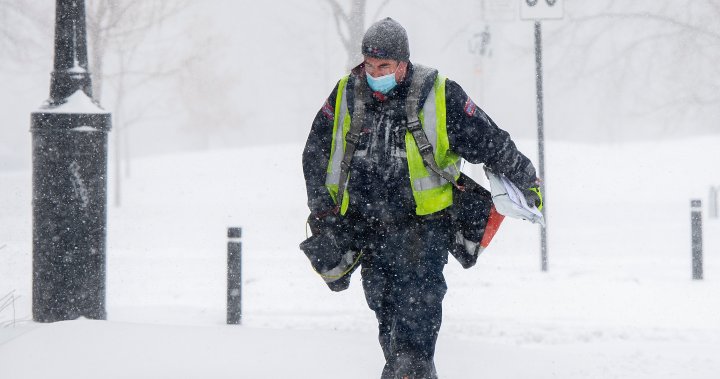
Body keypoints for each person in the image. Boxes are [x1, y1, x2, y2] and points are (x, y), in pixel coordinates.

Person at [302, 18, 541, 379]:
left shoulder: (438, 93)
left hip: (423, 234)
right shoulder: (346, 94)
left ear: (403, 63)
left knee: (414, 336)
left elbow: (489, 140)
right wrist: (321, 209)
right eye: (369, 65)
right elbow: (315, 152)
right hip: (369, 233)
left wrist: (526, 178)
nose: (374, 73)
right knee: (390, 328)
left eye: (384, 66)